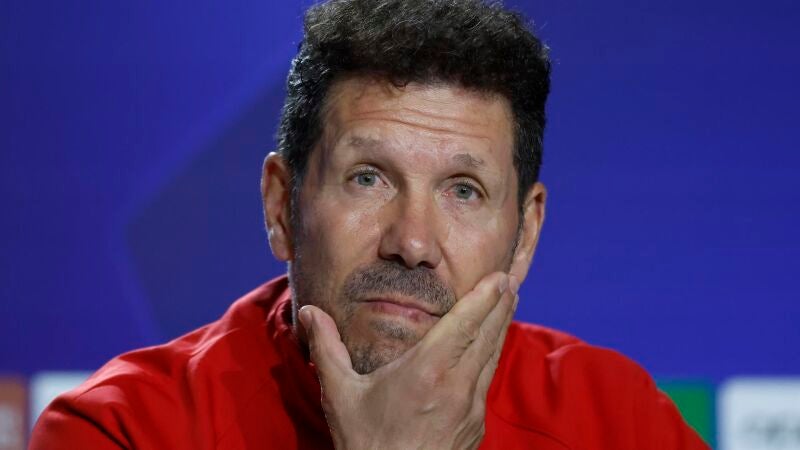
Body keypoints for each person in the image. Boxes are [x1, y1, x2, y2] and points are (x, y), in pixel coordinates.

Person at [30, 0, 709, 448]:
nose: (411, 243)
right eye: (368, 178)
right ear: (281, 207)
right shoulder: (120, 430)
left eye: (464, 190)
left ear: (525, 236)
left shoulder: (621, 421)